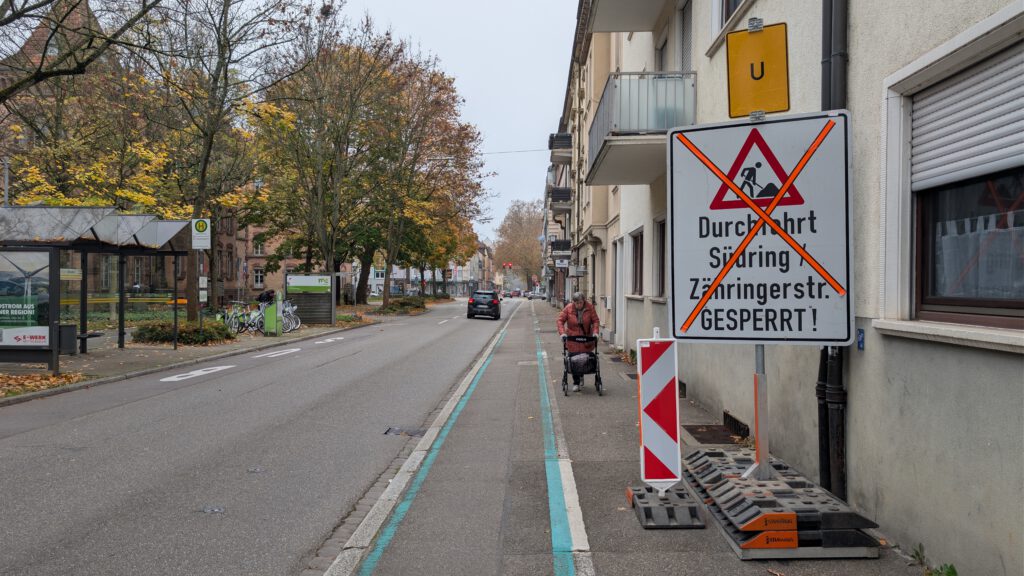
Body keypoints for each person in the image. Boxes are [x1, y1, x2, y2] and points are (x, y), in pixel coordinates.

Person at [557, 292, 600, 392]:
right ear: (573, 302)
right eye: (576, 303)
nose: (579, 305)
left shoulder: (589, 307)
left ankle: (581, 375)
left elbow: (595, 321)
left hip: (586, 339)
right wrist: (562, 333)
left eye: (580, 302)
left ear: (584, 301)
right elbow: (560, 321)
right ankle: (576, 382)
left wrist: (595, 332)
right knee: (574, 360)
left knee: (585, 359)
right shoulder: (568, 308)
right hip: (573, 339)